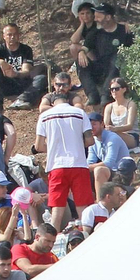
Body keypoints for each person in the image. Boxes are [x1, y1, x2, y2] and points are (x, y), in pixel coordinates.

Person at [35, 73, 95, 229]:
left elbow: (38, 146)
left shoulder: (44, 116)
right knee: (83, 208)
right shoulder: (80, 113)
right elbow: (90, 141)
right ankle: (87, 236)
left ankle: (53, 244)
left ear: (52, 102)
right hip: (78, 163)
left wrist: (53, 147)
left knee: (57, 209)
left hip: (57, 165)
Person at [71, 4, 134, 106]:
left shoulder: (124, 31)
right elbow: (85, 46)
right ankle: (92, 95)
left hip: (117, 70)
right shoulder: (96, 32)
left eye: (98, 17)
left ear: (108, 17)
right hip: (100, 68)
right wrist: (81, 52)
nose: (95, 19)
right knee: (80, 61)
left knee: (117, 58)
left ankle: (106, 94)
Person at [0, 22, 47, 110]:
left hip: (21, 83)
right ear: (4, 36)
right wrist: (2, 62)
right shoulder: (0, 49)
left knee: (41, 78)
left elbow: (26, 71)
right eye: (9, 35)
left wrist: (15, 74)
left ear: (19, 35)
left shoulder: (26, 49)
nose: (12, 37)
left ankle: (22, 100)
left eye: (15, 34)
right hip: (5, 84)